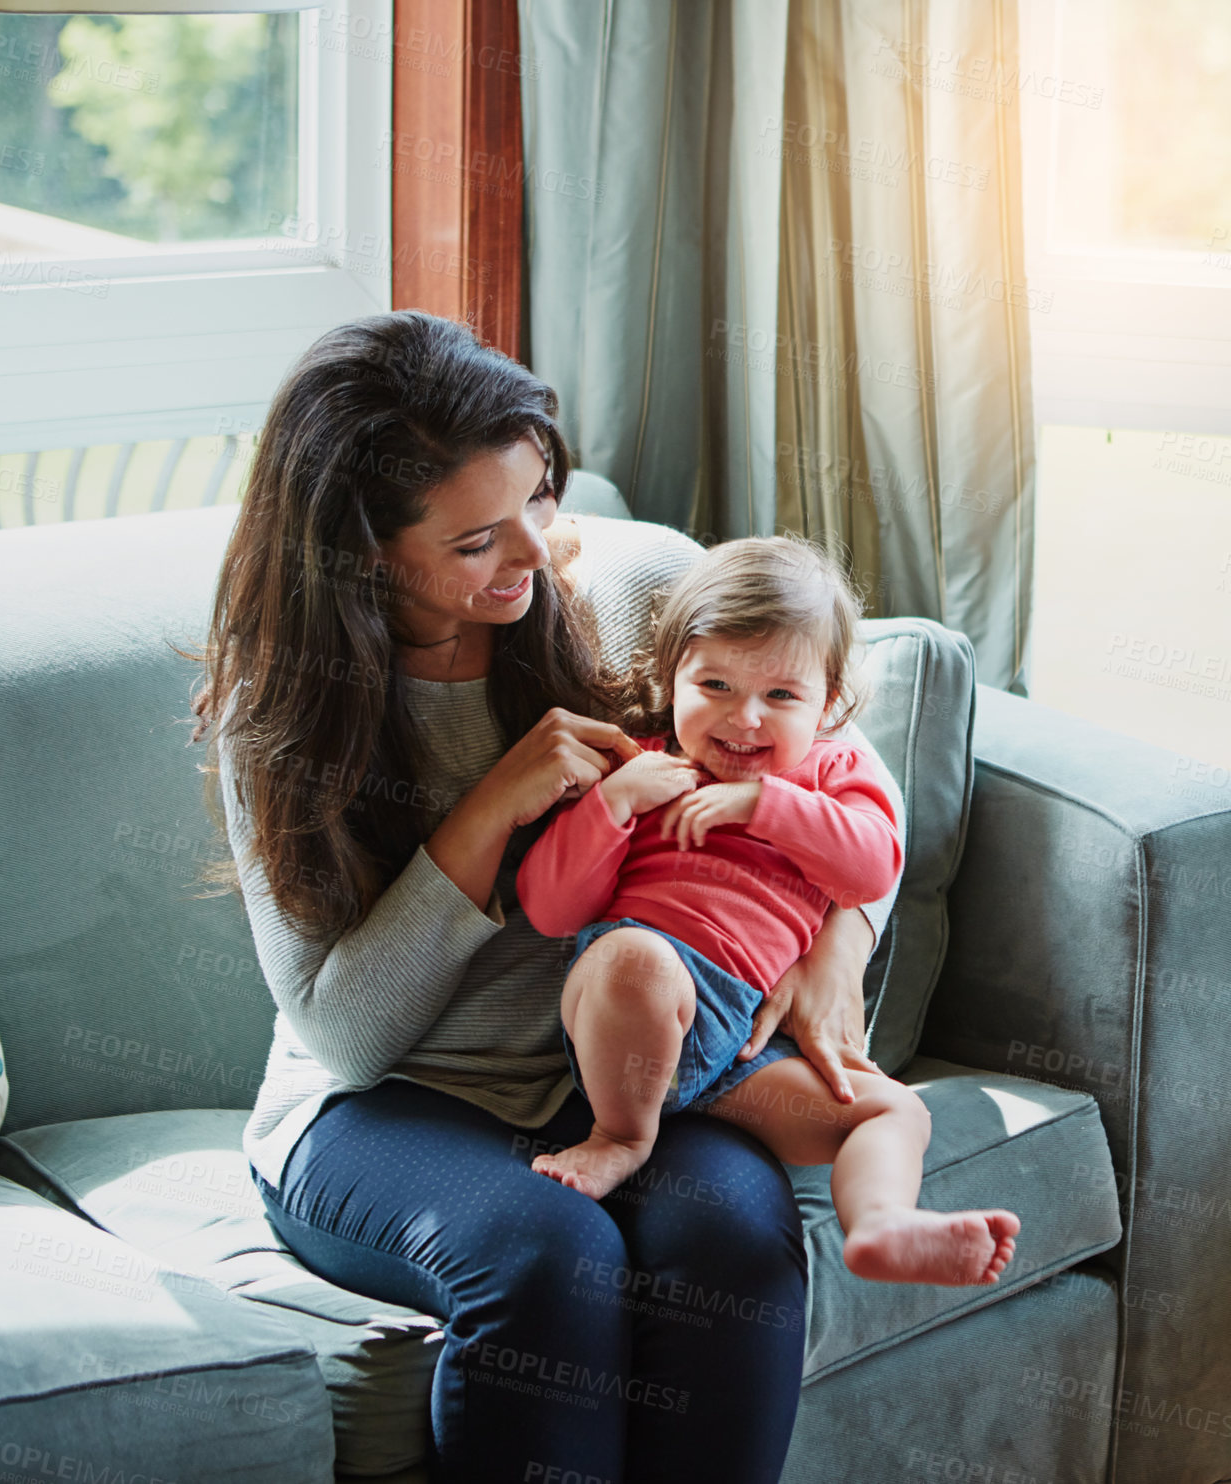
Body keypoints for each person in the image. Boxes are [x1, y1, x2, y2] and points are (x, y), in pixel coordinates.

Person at [191, 310, 908, 1483]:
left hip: (614, 1071)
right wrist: (494, 805)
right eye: (477, 539)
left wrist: (840, 936)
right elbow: (349, 1036)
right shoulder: (284, 719)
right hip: (382, 1110)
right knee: (543, 1255)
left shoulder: (623, 591)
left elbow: (837, 744)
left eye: (537, 497)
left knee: (728, 1244)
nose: (532, 553)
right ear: (365, 551)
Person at [516, 538, 1020, 1287]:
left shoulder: (833, 776)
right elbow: (550, 909)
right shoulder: (645, 766)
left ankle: (880, 1224)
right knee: (635, 961)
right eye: (714, 683)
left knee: (893, 1112)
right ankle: (619, 1137)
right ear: (672, 676)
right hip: (632, 1018)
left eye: (781, 696)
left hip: (743, 1055)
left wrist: (767, 804)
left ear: (830, 704)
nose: (743, 719)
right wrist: (615, 801)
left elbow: (873, 864)